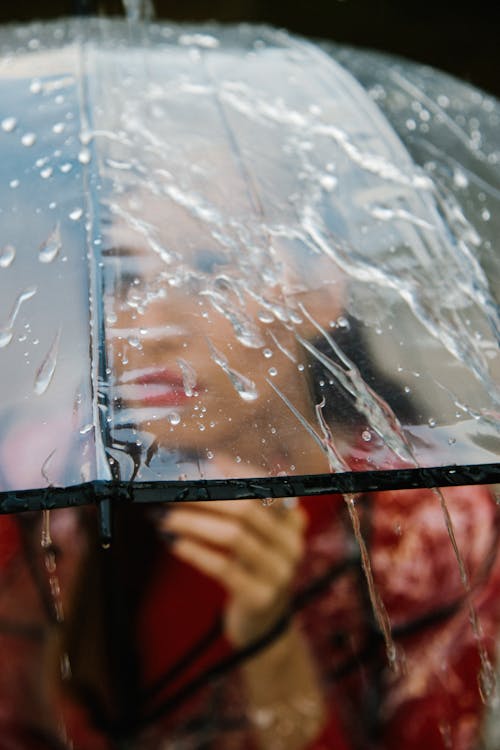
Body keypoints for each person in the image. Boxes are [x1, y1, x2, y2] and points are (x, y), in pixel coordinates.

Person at [0, 205, 499, 750]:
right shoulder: (44, 483)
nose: (151, 326)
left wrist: (271, 644)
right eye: (125, 277)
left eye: (212, 268)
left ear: (322, 291)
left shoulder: (431, 527)